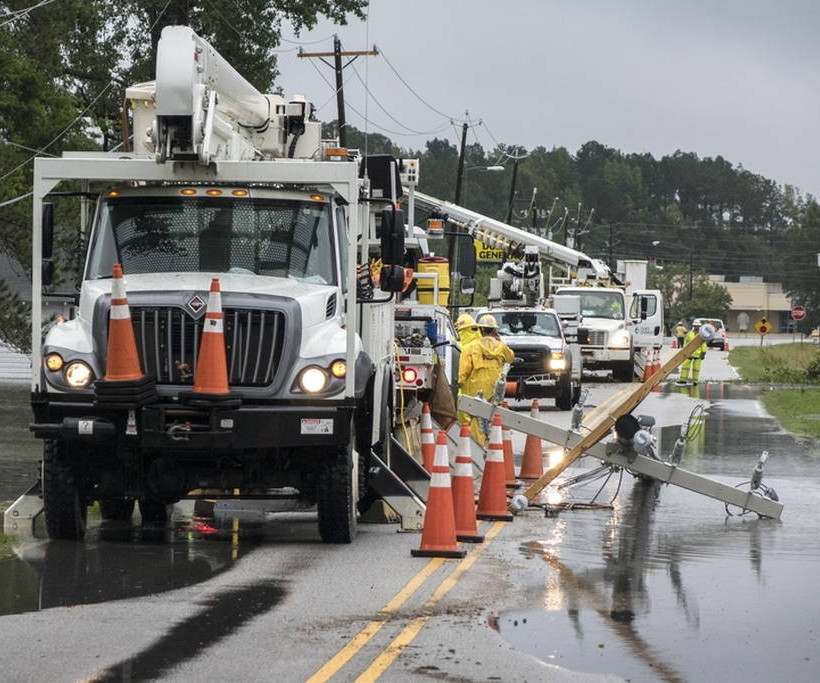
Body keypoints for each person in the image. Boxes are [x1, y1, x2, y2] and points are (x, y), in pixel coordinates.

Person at [458, 314, 515, 444]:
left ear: (481, 329)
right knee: (493, 417)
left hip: (475, 388)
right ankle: (493, 445)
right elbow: (510, 358)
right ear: (494, 330)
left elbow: (463, 372)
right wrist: (500, 341)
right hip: (495, 388)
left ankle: (478, 447)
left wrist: (460, 384)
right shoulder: (501, 347)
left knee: (476, 419)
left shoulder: (470, 347)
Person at [678, 320, 707, 385]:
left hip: (698, 355)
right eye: (695, 326)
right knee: (685, 367)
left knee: (696, 369)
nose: (696, 327)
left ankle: (695, 381)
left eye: (698, 326)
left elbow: (703, 344)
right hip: (689, 354)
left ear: (700, 326)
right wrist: (684, 351)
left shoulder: (701, 335)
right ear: (693, 326)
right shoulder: (689, 334)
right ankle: (683, 380)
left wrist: (703, 353)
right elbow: (686, 343)